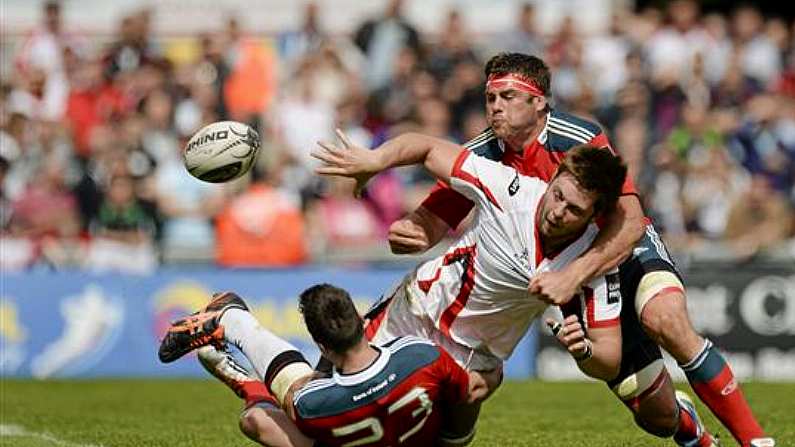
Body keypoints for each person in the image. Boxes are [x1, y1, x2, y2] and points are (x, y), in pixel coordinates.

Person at [386, 52, 774, 447]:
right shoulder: (483, 153)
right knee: (655, 416)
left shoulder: (577, 137)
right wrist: (411, 231)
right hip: (567, 275)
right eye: (491, 98)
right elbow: (431, 223)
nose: (495, 107)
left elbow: (631, 218)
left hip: (619, 247)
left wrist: (572, 276)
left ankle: (756, 441)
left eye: (505, 96)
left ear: (537, 101)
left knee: (665, 319)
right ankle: (690, 429)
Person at [312, 130, 721, 447]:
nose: (557, 212)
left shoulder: (590, 264)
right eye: (558, 195)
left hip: (473, 358)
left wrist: (583, 351)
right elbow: (425, 147)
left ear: (594, 215)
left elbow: (609, 359)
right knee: (324, 404)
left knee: (445, 413)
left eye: (574, 209)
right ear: (554, 177)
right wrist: (375, 159)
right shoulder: (509, 189)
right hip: (414, 314)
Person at [160, 286, 492, 447]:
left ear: (321, 347)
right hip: (427, 436)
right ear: (363, 322)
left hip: (338, 419)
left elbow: (290, 397)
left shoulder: (314, 402)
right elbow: (470, 392)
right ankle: (233, 322)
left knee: (255, 419)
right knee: (471, 384)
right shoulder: (421, 355)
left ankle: (235, 329)